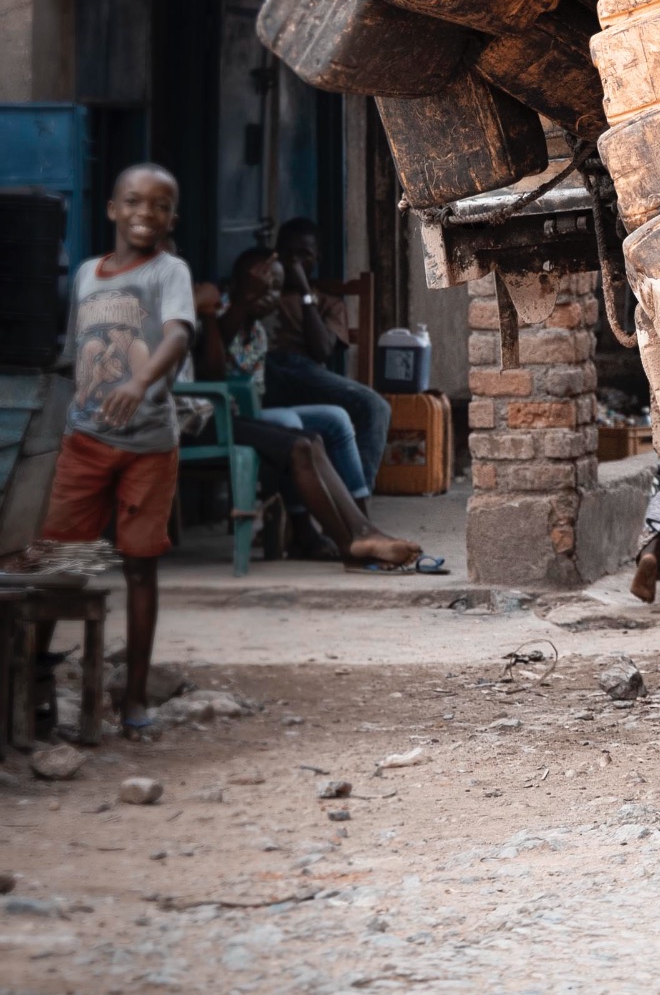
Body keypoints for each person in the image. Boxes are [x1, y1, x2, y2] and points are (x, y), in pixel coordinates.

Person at [39, 164, 195, 741]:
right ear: (111, 209)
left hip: (148, 446)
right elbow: (75, 350)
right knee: (54, 563)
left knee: (140, 566)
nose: (144, 214)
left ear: (170, 218)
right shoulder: (85, 275)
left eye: (159, 206)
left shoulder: (169, 272)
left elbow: (177, 335)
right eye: (133, 201)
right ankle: (34, 679)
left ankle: (133, 698)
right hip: (82, 442)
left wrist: (139, 382)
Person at [194, 247, 422, 571]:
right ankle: (305, 532)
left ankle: (364, 526)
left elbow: (319, 352)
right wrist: (243, 301)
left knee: (336, 418)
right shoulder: (219, 313)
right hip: (223, 419)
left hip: (251, 414)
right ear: (239, 287)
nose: (270, 295)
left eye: (275, 288)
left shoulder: (258, 331)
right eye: (263, 286)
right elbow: (210, 369)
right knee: (290, 426)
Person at [262, 217, 391, 497]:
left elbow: (321, 350)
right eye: (289, 254)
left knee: (374, 406)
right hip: (262, 371)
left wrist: (305, 294)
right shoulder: (261, 291)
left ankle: (355, 499)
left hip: (302, 374)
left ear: (317, 258)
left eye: (304, 255)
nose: (295, 262)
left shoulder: (328, 303)